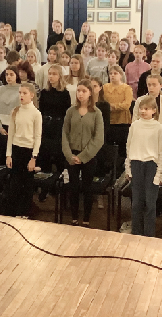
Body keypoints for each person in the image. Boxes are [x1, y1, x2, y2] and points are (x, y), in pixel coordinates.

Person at [62, 79, 105, 226]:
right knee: (73, 187)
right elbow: (64, 134)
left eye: (84, 91)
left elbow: (98, 139)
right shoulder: (70, 111)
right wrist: (69, 155)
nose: (80, 94)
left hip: (88, 156)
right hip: (72, 155)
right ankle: (74, 217)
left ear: (90, 93)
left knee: (87, 187)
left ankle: (86, 219)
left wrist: (83, 157)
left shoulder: (96, 113)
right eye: (79, 91)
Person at [125, 96, 162, 237]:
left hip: (151, 166)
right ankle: (136, 232)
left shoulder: (158, 128)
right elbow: (129, 147)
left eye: (146, 109)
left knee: (150, 203)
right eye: (141, 109)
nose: (143, 111)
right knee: (136, 203)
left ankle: (149, 235)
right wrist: (128, 167)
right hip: (136, 164)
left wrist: (159, 173)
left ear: (154, 111)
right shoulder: (134, 126)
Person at [5, 82, 42, 217]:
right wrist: (8, 155)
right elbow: (11, 135)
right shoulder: (15, 111)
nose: (21, 95)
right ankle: (14, 213)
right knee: (14, 184)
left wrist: (34, 157)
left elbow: (37, 137)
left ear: (31, 95)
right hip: (16, 149)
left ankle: (25, 213)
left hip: (28, 151)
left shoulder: (36, 114)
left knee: (27, 185)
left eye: (24, 93)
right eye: (20, 93)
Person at [37, 65, 71, 188]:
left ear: (60, 76)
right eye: (50, 74)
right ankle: (45, 185)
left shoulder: (65, 93)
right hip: (46, 125)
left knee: (58, 155)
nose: (51, 76)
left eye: (54, 74)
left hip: (58, 126)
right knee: (44, 154)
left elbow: (66, 113)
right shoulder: (44, 92)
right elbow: (41, 110)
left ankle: (59, 185)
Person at [103, 65, 133, 161]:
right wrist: (108, 107)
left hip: (122, 121)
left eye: (115, 73)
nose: (112, 75)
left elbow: (127, 104)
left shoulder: (126, 88)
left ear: (121, 75)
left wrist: (113, 107)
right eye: (111, 73)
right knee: (108, 147)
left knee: (122, 147)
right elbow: (102, 102)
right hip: (109, 121)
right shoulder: (105, 87)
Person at [0, 67, 21, 165]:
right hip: (2, 126)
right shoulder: (1, 89)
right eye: (7, 74)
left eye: (11, 74)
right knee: (2, 154)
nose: (8, 77)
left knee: (14, 155)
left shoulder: (21, 89)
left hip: (16, 126)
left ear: (17, 75)